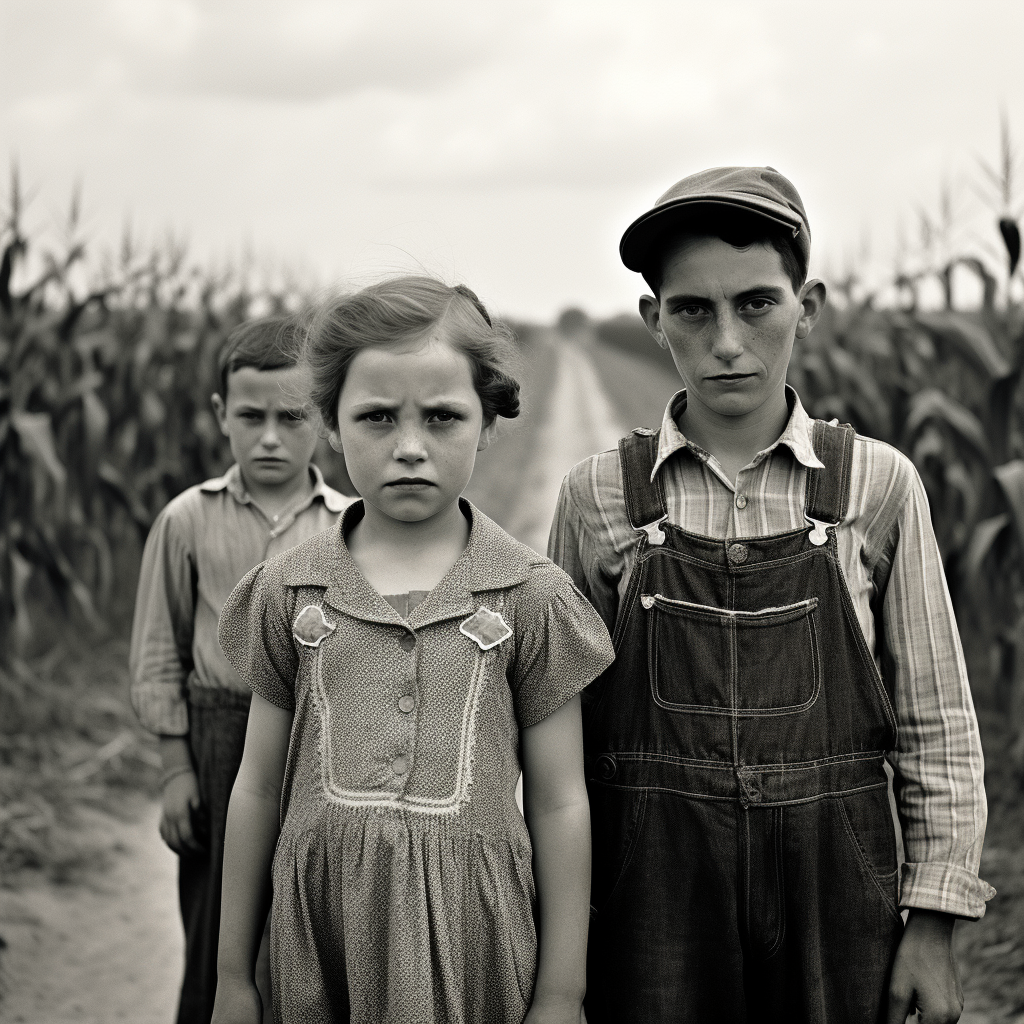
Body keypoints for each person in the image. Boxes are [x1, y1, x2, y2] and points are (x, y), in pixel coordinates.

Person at [548, 166, 995, 1024]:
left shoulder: (877, 485)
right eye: (692, 310)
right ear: (654, 320)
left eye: (756, 303)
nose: (726, 341)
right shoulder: (600, 497)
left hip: (838, 887)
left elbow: (936, 718)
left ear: (808, 305)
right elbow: (556, 738)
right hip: (655, 895)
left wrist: (934, 923)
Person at [210, 277, 615, 1024]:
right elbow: (258, 789)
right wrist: (233, 974)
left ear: (487, 422)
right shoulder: (289, 593)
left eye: (441, 417)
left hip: (474, 949)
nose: (408, 447)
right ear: (328, 423)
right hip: (319, 943)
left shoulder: (531, 596)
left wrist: (563, 991)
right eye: (376, 418)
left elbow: (561, 801)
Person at [129, 315, 350, 1024]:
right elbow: (159, 650)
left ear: (322, 417)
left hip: (320, 744)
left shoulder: (350, 525)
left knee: (310, 918)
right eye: (251, 417)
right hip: (220, 737)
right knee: (218, 918)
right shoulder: (188, 520)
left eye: (292, 418)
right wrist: (174, 771)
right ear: (223, 414)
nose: (271, 438)